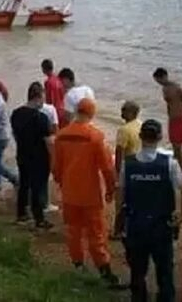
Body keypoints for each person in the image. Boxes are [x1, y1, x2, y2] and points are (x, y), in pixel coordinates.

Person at [53, 98, 123, 288]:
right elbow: (107, 168)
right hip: (90, 195)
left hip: (69, 193)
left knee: (73, 231)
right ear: (92, 114)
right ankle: (104, 271)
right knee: (96, 233)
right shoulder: (95, 137)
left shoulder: (61, 135)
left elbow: (56, 167)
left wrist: (62, 183)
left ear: (76, 112)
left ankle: (78, 266)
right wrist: (110, 189)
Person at [120, 119, 182, 302]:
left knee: (137, 271)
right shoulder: (169, 163)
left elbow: (120, 193)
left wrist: (120, 220)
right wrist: (181, 216)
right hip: (161, 226)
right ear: (160, 137)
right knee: (165, 271)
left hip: (136, 225)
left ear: (141, 136)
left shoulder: (127, 164)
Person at [10, 82, 54, 229]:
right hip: (39, 158)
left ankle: (21, 214)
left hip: (22, 154)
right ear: (39, 96)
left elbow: (15, 135)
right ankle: (39, 219)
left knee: (24, 184)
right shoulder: (41, 118)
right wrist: (54, 159)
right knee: (38, 187)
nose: (44, 101)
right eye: (44, 97)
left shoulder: (16, 114)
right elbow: (48, 142)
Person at [152, 68, 182, 170]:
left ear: (164, 77)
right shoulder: (164, 88)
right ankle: (176, 170)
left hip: (180, 119)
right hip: (172, 120)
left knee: (177, 148)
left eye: (159, 80)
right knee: (175, 147)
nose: (159, 83)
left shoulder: (176, 88)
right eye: (157, 82)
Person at [112, 100, 143, 239]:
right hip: (140, 166)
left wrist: (117, 173)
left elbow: (120, 153)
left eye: (124, 110)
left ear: (131, 112)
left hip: (127, 167)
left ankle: (118, 231)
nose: (121, 113)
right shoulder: (140, 125)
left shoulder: (124, 130)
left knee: (120, 202)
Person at [39, 99, 60, 213]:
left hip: (34, 142)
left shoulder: (29, 109)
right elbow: (56, 128)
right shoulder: (51, 109)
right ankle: (45, 203)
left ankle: (35, 200)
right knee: (46, 173)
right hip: (48, 142)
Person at [41, 59, 66, 128]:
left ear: (44, 69)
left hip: (55, 112)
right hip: (62, 110)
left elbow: (49, 99)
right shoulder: (58, 79)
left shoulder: (48, 82)